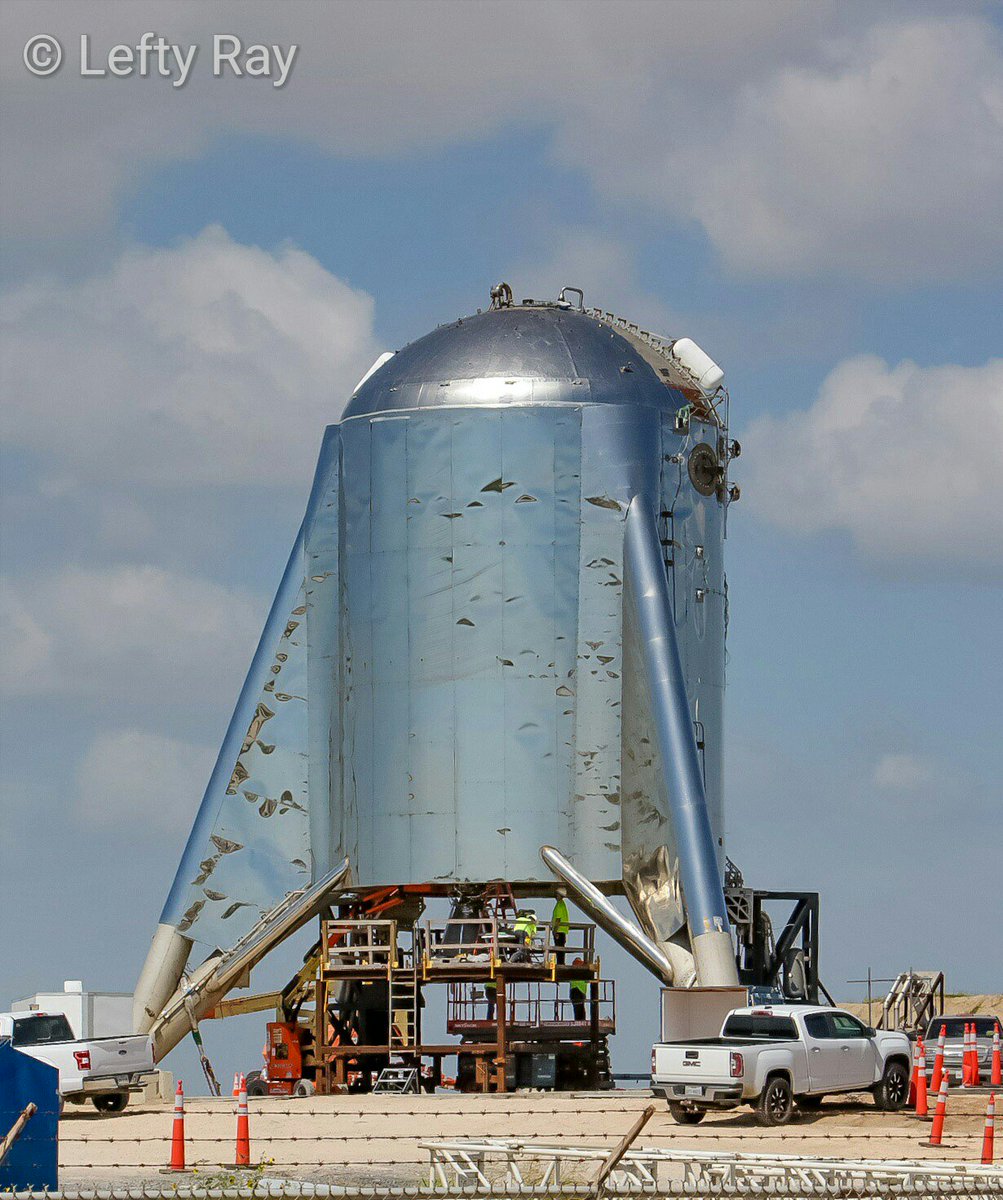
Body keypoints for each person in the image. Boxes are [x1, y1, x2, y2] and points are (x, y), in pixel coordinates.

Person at [551, 889, 570, 964]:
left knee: (559, 948)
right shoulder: (562, 904)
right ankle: (561, 962)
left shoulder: (559, 905)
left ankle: (560, 963)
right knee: (561, 948)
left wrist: (555, 931)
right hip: (562, 930)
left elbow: (558, 919)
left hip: (559, 930)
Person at [569, 958, 588, 1023]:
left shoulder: (581, 972)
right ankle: (579, 1022)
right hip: (576, 991)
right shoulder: (574, 971)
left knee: (581, 1010)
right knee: (578, 1009)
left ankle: (580, 1021)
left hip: (580, 992)